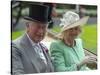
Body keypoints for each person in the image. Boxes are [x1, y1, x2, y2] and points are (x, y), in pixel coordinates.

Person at [11, 4, 54, 75]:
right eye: (38, 26)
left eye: (44, 27)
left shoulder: (44, 48)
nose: (41, 31)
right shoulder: (15, 48)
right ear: (27, 26)